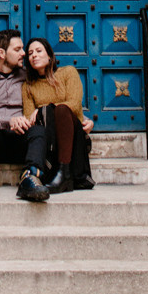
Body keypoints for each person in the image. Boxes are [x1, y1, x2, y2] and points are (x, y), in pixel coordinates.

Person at [0, 29, 50, 202]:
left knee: (39, 131)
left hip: (21, 142)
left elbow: (50, 95)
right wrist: (9, 121)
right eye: (17, 49)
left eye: (23, 49)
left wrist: (78, 116)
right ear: (1, 53)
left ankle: (30, 179)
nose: (24, 53)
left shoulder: (28, 76)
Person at [22, 37, 95, 193]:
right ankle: (61, 174)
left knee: (61, 109)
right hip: (49, 138)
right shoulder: (28, 86)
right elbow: (30, 119)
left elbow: (74, 105)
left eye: (38, 51)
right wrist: (44, 111)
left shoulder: (68, 73)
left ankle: (64, 173)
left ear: (49, 55)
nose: (34, 55)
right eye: (30, 53)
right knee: (49, 116)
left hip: (73, 135)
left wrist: (45, 107)